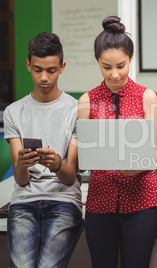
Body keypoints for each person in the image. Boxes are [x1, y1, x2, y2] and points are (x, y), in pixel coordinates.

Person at [77, 16, 157, 268]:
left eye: (121, 66)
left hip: (141, 201)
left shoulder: (147, 97)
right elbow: (84, 154)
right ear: (98, 63)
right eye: (106, 67)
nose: (114, 74)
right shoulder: (87, 100)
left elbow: (156, 151)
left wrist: (136, 165)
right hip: (100, 199)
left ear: (131, 59)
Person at [3, 32, 83, 268]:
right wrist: (22, 163)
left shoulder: (77, 110)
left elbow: (70, 178)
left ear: (62, 67)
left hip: (64, 200)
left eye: (51, 70)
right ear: (28, 65)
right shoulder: (14, 112)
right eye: (38, 70)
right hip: (24, 201)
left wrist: (57, 163)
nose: (44, 77)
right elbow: (20, 179)